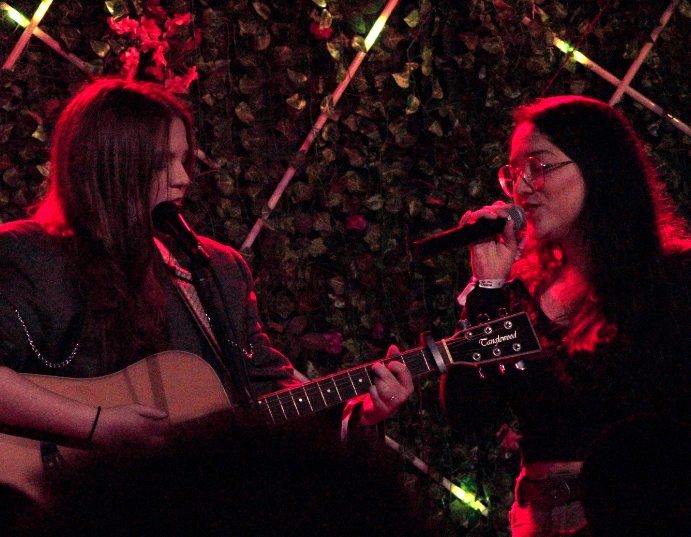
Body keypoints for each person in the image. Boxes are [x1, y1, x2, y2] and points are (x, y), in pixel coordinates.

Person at [0, 78, 414, 535]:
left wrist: (359, 411)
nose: (182, 178)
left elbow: (267, 390)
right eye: (163, 162)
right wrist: (96, 425)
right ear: (110, 165)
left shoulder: (216, 269)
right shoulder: (29, 255)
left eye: (184, 160)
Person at [440, 95, 691, 536]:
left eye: (538, 166)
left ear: (598, 166)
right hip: (536, 520)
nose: (522, 189)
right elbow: (469, 413)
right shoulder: (523, 291)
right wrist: (488, 289)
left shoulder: (671, 278)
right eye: (513, 174)